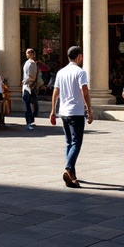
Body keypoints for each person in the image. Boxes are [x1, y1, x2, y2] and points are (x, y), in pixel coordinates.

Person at [49, 44, 94, 187]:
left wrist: (53, 111)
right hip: (76, 111)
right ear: (79, 56)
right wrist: (89, 109)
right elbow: (84, 91)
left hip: (64, 111)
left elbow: (55, 92)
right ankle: (68, 168)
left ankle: (72, 175)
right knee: (76, 142)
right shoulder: (80, 72)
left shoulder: (61, 72)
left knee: (69, 142)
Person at [22, 48, 40, 131]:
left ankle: (29, 120)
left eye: (27, 53)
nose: (26, 54)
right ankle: (30, 120)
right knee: (30, 104)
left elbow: (32, 76)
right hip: (28, 86)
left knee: (28, 104)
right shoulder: (29, 63)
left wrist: (25, 81)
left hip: (29, 86)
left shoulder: (31, 63)